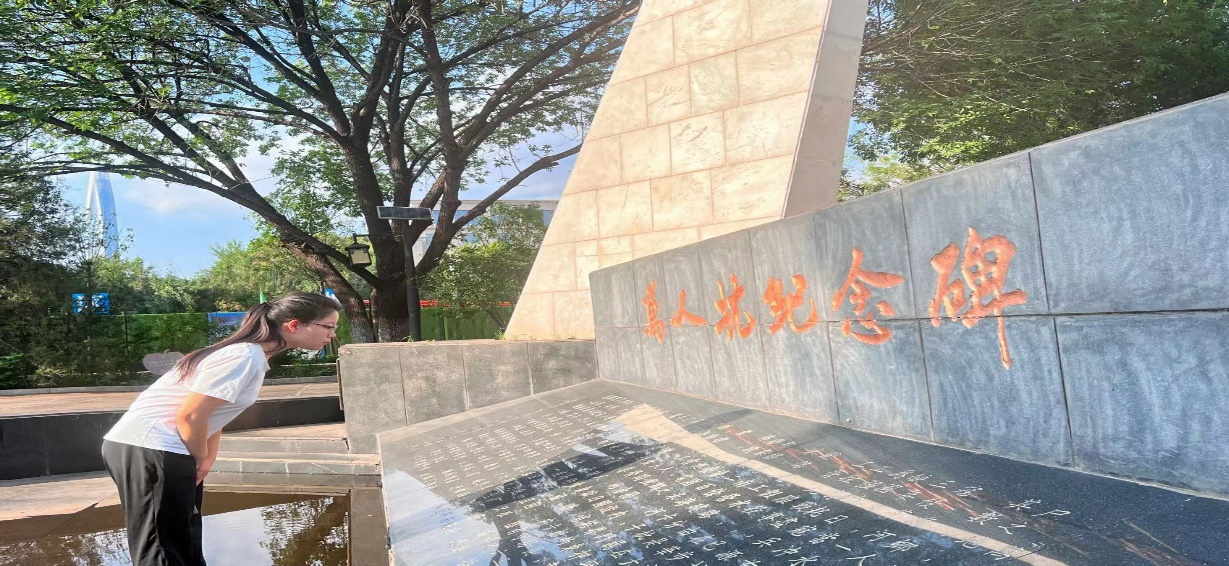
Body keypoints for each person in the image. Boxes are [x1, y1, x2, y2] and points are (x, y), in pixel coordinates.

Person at [101, 292, 342, 565]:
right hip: (151, 446)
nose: (332, 335)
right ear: (294, 325)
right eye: (328, 326)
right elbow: (191, 415)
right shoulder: (243, 355)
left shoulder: (250, 355)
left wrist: (207, 458)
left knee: (184, 540)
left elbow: (213, 414)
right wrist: (199, 456)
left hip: (163, 448)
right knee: (163, 549)